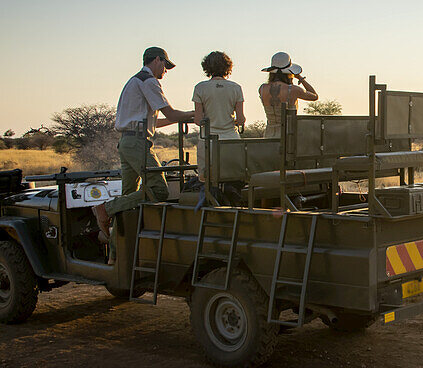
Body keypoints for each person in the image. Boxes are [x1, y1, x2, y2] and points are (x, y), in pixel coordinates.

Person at [92, 47, 194, 242]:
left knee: (128, 199)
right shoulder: (149, 81)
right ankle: (105, 209)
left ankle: (115, 252)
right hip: (138, 143)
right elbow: (171, 114)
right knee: (159, 190)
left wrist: (183, 117)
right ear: (158, 60)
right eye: (166, 66)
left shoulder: (133, 81)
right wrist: (194, 114)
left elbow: (159, 121)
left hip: (126, 142)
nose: (166, 71)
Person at [192, 51, 245, 181]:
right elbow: (240, 119)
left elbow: (198, 120)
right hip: (231, 139)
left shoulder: (200, 88)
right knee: (232, 177)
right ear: (227, 67)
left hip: (208, 139)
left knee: (208, 179)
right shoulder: (236, 88)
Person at [258, 52, 318, 138]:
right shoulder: (293, 89)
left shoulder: (262, 88)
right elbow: (314, 96)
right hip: (288, 134)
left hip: (269, 134)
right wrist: (301, 79)